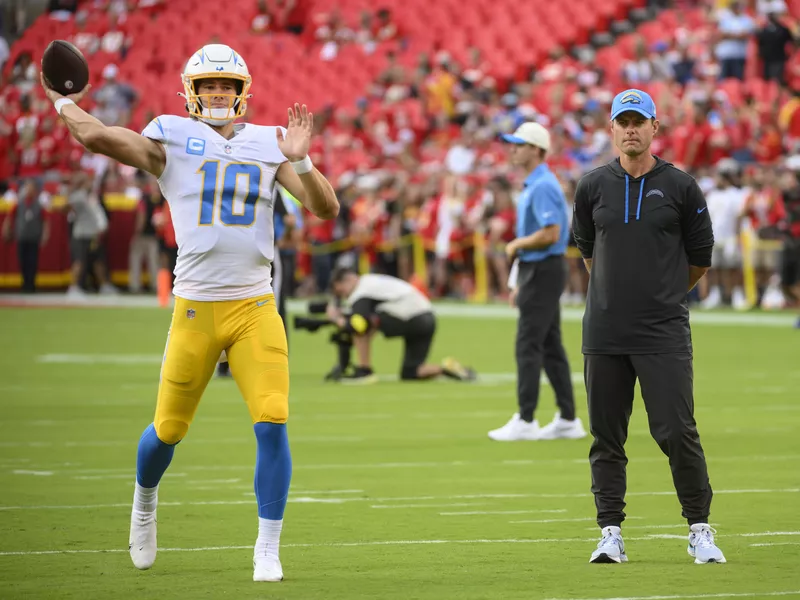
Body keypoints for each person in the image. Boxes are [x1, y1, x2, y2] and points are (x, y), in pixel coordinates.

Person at [41, 43, 339, 581]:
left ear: (242, 91)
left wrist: (301, 158)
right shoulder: (171, 135)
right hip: (197, 308)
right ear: (192, 91)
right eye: (209, 86)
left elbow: (325, 209)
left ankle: (267, 547)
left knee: (273, 419)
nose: (218, 93)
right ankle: (144, 501)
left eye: (226, 85)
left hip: (255, 306)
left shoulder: (270, 143)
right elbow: (97, 136)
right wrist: (65, 103)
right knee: (168, 429)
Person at [572, 89, 725, 564]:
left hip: (663, 331)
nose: (632, 129)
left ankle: (700, 528)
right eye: (624, 121)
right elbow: (588, 249)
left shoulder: (681, 186)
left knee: (677, 430)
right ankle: (610, 532)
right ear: (612, 128)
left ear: (656, 127)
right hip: (604, 333)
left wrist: (660, 295)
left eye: (640, 121)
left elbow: (700, 259)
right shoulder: (592, 185)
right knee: (606, 436)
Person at [487, 122, 585, 442]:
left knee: (528, 343)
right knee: (550, 345)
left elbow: (551, 234)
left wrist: (517, 244)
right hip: (539, 269)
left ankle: (526, 418)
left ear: (537, 150)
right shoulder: (536, 183)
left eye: (520, 143)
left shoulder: (542, 185)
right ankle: (568, 418)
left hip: (543, 268)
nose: (512, 148)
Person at [328, 267, 476, 383]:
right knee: (410, 373)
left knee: (363, 324)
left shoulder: (361, 290)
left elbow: (358, 326)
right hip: (427, 317)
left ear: (347, 280)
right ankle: (446, 369)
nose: (343, 296)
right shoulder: (370, 281)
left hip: (410, 317)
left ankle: (364, 371)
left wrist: (336, 319)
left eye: (341, 291)